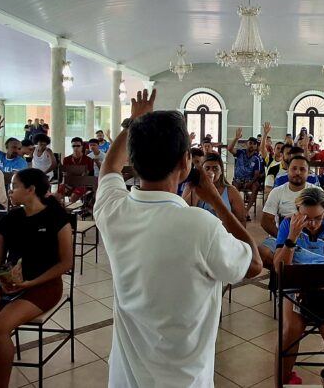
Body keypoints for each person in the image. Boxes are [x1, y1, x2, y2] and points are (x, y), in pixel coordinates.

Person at [93, 89, 262, 386]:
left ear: (134, 160)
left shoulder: (112, 210)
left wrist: (133, 122)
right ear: (186, 163)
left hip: (125, 379)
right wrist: (216, 199)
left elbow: (109, 167)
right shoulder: (201, 225)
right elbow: (254, 265)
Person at [0, 168, 73, 388]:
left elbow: (65, 263)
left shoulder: (56, 217)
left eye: (14, 186)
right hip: (10, 284)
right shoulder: (10, 219)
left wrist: (31, 283)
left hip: (43, 286)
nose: (10, 191)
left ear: (31, 189)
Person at [273, 187, 324, 385]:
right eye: (306, 218)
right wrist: (292, 237)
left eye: (318, 218)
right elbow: (279, 269)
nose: (312, 224)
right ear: (297, 212)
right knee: (290, 331)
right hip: (296, 288)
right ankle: (282, 381)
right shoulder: (287, 225)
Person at [182, 153, 247, 224]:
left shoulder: (231, 191)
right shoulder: (191, 187)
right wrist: (198, 188)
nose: (211, 172)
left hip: (223, 229)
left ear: (221, 171)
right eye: (207, 168)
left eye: (215, 168)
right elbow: (185, 212)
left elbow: (242, 219)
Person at [228, 128, 264, 219]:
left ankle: (246, 211)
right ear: (246, 144)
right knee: (233, 188)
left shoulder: (257, 158)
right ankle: (237, 209)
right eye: (250, 143)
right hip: (238, 180)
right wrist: (236, 138)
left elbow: (257, 174)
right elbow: (230, 149)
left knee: (255, 186)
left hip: (250, 180)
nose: (252, 145)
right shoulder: (240, 152)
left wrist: (250, 183)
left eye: (254, 144)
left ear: (256, 146)